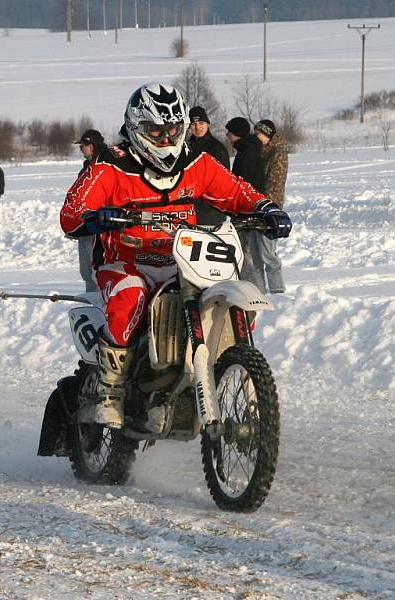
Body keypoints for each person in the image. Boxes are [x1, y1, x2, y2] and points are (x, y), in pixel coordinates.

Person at [60, 83, 291, 428]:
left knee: (212, 296)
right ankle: (111, 390)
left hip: (180, 260)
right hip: (125, 261)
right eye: (157, 131)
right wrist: (94, 217)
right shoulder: (109, 166)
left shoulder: (196, 163)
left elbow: (234, 190)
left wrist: (265, 207)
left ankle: (194, 377)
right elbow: (72, 212)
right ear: (137, 129)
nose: (167, 139)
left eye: (173, 130)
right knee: (130, 298)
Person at [225, 116, 268, 293]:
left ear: (237, 133)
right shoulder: (248, 149)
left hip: (247, 213)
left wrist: (241, 210)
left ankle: (255, 291)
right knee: (245, 253)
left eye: (230, 131)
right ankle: (253, 289)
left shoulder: (248, 152)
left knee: (246, 254)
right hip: (246, 211)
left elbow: (245, 185)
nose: (227, 134)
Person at [253, 119, 289, 294]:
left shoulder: (277, 153)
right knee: (256, 255)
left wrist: (267, 208)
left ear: (267, 134)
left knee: (268, 253)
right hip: (259, 208)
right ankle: (260, 291)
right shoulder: (261, 151)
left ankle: (277, 290)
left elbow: (275, 184)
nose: (256, 137)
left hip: (269, 210)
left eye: (258, 133)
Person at [74, 129, 107, 293]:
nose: (81, 148)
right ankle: (92, 300)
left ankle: (97, 303)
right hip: (85, 224)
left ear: (93, 146)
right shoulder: (87, 167)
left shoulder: (102, 167)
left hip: (97, 225)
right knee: (87, 271)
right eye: (81, 145)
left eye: (84, 145)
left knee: (95, 270)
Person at [187, 106, 231, 225]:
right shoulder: (184, 149)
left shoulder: (218, 149)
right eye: (193, 124)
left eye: (201, 123)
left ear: (208, 124)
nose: (198, 127)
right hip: (188, 211)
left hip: (212, 212)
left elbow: (225, 182)